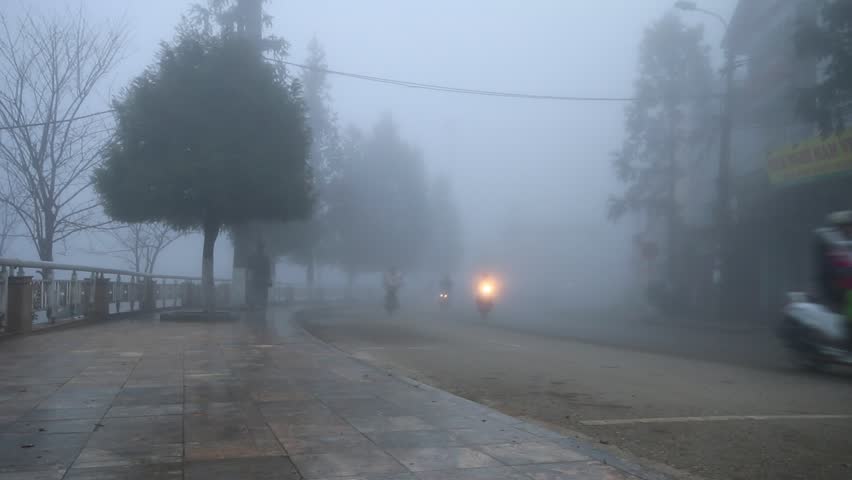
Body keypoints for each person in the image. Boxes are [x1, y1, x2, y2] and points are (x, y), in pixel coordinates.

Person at [247, 240, 271, 310]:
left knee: (254, 292)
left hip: (255, 278)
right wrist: (268, 278)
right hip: (263, 279)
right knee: (263, 293)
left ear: (257, 248)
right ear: (263, 248)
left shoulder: (253, 257)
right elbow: (268, 270)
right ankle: (262, 306)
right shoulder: (266, 258)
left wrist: (249, 277)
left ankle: (253, 305)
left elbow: (249, 268)